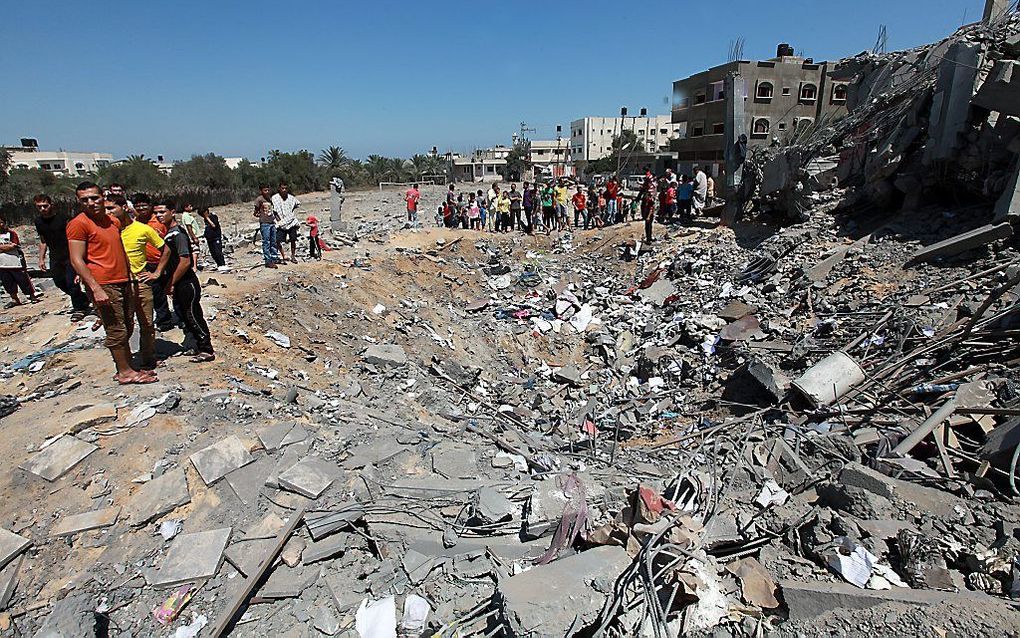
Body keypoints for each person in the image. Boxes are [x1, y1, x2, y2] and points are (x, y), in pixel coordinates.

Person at [67, 182, 155, 384]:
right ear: (79, 202)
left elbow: (120, 251)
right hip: (104, 283)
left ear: (103, 197)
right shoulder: (78, 224)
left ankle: (127, 367)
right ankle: (124, 372)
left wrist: (131, 276)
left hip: (123, 280)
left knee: (127, 325)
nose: (91, 203)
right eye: (85, 200)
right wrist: (95, 288)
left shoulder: (112, 222)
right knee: (116, 328)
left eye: (94, 198)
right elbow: (76, 259)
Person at [108, 194, 168, 371]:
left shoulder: (142, 229)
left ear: (124, 208)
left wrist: (156, 273)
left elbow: (165, 249)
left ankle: (148, 358)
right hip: (117, 285)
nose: (108, 213)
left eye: (111, 208)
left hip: (140, 283)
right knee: (123, 326)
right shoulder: (107, 232)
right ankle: (126, 364)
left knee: (147, 324)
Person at [158, 205, 215, 362]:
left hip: (186, 283)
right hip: (180, 283)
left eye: (162, 212)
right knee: (184, 314)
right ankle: (197, 345)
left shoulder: (177, 234)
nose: (159, 215)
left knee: (192, 315)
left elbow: (185, 261)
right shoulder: (169, 234)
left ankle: (206, 349)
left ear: (172, 212)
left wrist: (171, 282)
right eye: (156, 212)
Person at [33, 194, 90, 319]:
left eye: (45, 206)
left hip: (70, 254)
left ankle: (79, 308)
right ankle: (83, 299)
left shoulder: (64, 219)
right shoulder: (38, 222)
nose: (43, 209)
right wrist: (41, 258)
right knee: (59, 282)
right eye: (39, 207)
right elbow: (43, 241)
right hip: (55, 256)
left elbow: (75, 237)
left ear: (51, 205)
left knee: (71, 282)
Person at [138, 197, 176, 330]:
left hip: (164, 261)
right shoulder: (136, 223)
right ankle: (164, 321)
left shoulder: (159, 221)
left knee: (173, 288)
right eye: (138, 206)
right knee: (157, 293)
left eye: (144, 205)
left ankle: (183, 317)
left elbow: (170, 241)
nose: (141, 209)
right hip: (148, 263)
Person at [0, 216, 40, 307]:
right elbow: (9, 247)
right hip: (2, 264)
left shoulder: (11, 234)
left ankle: (32, 296)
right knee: (8, 283)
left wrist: (4, 248)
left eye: (1, 222)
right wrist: (6, 248)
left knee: (23, 280)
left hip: (15, 262)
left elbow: (14, 245)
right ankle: (15, 299)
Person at [272, 182, 300, 263]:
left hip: (291, 222)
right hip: (281, 222)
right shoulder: (275, 198)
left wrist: (291, 213)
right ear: (279, 189)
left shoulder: (291, 198)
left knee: (293, 239)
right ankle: (283, 255)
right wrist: (279, 221)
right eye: (282, 188)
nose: (284, 190)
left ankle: (293, 256)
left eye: (285, 188)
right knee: (277, 240)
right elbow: (275, 211)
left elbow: (297, 204)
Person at [254, 184, 280, 268]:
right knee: (266, 242)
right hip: (265, 223)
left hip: (272, 222)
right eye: (265, 190)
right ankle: (268, 260)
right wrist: (259, 215)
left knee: (273, 241)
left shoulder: (270, 199)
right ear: (261, 191)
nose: (267, 192)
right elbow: (256, 211)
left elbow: (273, 210)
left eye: (268, 190)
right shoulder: (259, 199)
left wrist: (277, 218)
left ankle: (274, 257)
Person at [180, 203, 203, 268]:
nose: (191, 207)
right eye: (190, 206)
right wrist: (194, 237)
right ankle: (194, 266)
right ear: (185, 207)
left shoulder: (188, 215)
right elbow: (189, 227)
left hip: (193, 235)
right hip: (192, 236)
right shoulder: (186, 216)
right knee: (195, 251)